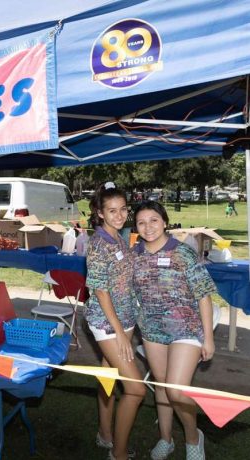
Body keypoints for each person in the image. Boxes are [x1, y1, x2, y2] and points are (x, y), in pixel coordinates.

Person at [132, 201, 216, 460]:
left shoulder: (183, 253)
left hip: (186, 330)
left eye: (154, 220)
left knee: (176, 391)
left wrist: (209, 339)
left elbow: (203, 295)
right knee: (161, 387)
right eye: (141, 222)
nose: (148, 227)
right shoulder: (134, 255)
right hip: (152, 331)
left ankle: (193, 438)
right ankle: (165, 439)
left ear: (165, 221)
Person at [86, 182, 145, 460]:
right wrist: (120, 333)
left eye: (123, 209)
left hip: (124, 319)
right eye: (112, 211)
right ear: (99, 212)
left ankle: (105, 434)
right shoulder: (99, 243)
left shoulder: (119, 237)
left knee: (107, 376)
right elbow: (100, 290)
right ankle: (119, 454)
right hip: (109, 325)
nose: (120, 215)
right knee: (135, 389)